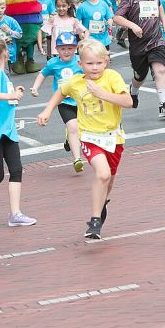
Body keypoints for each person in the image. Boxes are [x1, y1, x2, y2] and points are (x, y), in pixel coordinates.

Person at [37, 38, 133, 239]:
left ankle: (102, 203)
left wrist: (102, 93)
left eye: (99, 63)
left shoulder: (112, 78)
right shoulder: (76, 81)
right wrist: (47, 110)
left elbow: (128, 102)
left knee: (108, 181)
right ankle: (95, 220)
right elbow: (60, 93)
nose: (95, 67)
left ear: (106, 62)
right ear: (80, 64)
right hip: (89, 136)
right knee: (103, 173)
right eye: (89, 63)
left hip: (113, 137)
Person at [0, 37, 37, 227]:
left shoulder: (2, 74)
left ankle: (15, 214)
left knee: (16, 169)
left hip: (8, 129)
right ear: (5, 52)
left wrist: (13, 92)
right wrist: (11, 95)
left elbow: (1, 95)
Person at [113, 0, 165, 118]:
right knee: (140, 76)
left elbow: (159, 6)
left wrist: (164, 22)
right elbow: (117, 17)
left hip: (156, 40)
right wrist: (133, 26)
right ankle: (133, 91)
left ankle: (164, 105)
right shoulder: (129, 0)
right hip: (138, 45)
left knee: (160, 70)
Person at [30, 32, 85, 172]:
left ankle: (69, 138)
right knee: (73, 127)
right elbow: (42, 74)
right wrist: (35, 87)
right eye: (63, 48)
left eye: (70, 48)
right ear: (57, 49)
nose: (66, 52)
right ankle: (77, 159)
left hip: (81, 101)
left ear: (76, 48)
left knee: (81, 130)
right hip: (64, 102)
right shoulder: (53, 64)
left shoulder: (80, 61)